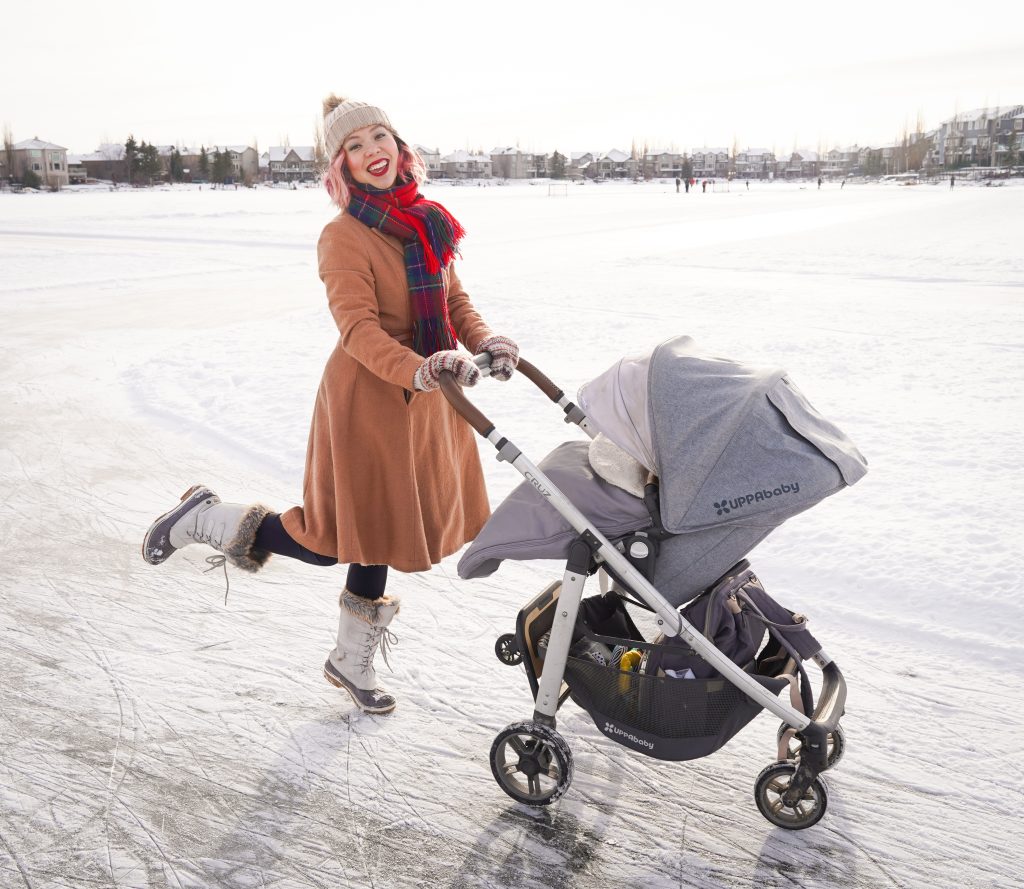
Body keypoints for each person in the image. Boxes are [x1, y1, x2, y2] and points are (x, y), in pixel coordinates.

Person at [142, 94, 518, 715]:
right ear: (340, 164)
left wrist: (485, 341)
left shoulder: (428, 222)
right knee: (334, 538)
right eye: (355, 145)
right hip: (369, 402)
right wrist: (420, 367)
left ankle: (349, 660)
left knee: (382, 537)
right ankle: (208, 519)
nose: (373, 152)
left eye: (381, 138)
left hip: (428, 399)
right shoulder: (343, 236)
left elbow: (454, 302)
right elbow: (358, 330)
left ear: (401, 147)